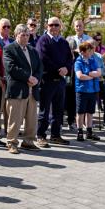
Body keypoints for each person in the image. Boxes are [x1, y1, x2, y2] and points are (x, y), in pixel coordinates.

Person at [3, 24, 43, 153]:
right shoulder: (9, 49)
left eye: (27, 35)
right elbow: (11, 68)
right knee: (15, 118)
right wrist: (28, 78)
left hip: (32, 90)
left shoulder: (32, 50)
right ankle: (12, 142)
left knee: (32, 119)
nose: (25, 37)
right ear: (16, 35)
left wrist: (36, 78)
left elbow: (39, 67)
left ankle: (28, 141)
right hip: (18, 90)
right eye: (22, 35)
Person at [36, 17, 73, 146]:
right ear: (47, 26)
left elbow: (69, 58)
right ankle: (40, 135)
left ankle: (55, 135)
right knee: (44, 110)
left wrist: (66, 69)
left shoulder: (63, 42)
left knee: (58, 110)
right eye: (51, 25)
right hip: (47, 80)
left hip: (60, 81)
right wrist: (59, 69)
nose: (54, 27)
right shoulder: (43, 40)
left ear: (60, 26)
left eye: (56, 25)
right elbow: (43, 58)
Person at [73, 41, 102, 141]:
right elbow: (80, 76)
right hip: (82, 90)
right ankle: (80, 131)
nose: (91, 52)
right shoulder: (78, 62)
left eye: (91, 50)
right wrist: (91, 76)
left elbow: (99, 72)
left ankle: (89, 132)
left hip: (93, 90)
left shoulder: (93, 60)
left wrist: (89, 74)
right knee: (80, 112)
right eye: (89, 50)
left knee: (90, 112)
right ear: (83, 51)